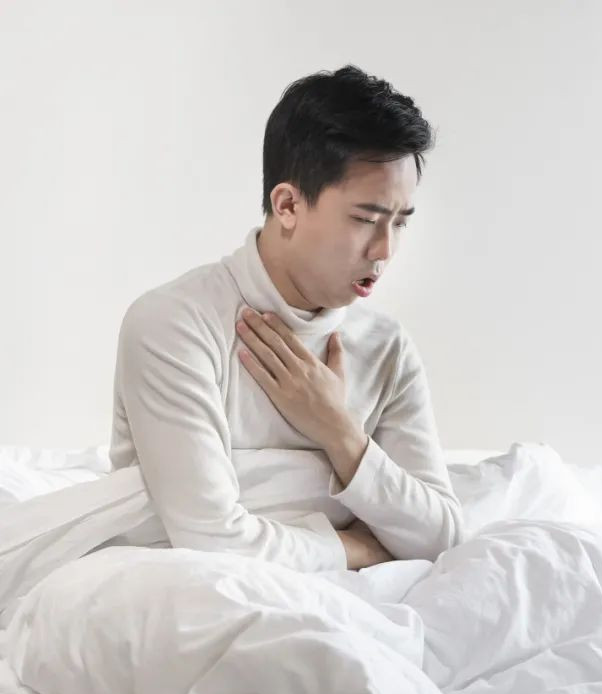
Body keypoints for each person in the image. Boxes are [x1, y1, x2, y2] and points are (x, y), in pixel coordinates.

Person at [102, 65, 464, 572]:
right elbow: (211, 542)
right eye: (365, 219)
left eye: (399, 223)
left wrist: (339, 431)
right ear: (288, 204)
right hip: (187, 593)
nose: (385, 250)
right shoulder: (175, 324)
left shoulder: (386, 347)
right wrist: (358, 547)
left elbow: (442, 536)